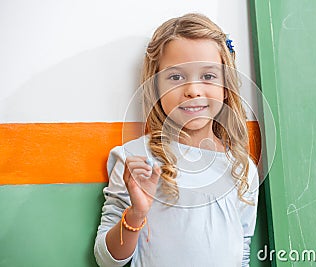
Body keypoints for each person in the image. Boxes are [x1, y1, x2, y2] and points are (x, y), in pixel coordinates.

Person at [94, 13, 259, 267]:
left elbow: (242, 253)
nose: (193, 89)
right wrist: (137, 213)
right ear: (156, 86)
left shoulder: (242, 168)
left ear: (226, 87)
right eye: (176, 77)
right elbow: (107, 260)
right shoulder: (136, 159)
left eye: (208, 76)